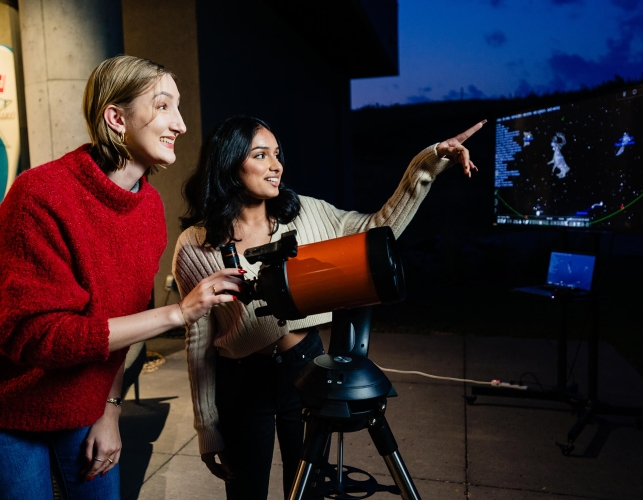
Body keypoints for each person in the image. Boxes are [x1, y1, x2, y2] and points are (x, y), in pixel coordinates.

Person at [172, 115, 485, 499]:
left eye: (277, 154)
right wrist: (207, 427)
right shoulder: (194, 244)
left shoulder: (305, 213)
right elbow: (198, 340)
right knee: (244, 491)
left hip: (304, 369)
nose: (277, 165)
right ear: (230, 164)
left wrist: (429, 163)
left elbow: (377, 230)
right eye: (261, 154)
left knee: (306, 491)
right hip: (240, 380)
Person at [0, 55, 241, 500]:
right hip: (12, 410)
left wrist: (109, 410)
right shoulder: (39, 196)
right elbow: (35, 337)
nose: (181, 125)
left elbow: (124, 320)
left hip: (89, 406)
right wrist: (179, 313)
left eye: (179, 107)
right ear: (116, 117)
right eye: (164, 106)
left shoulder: (148, 209)